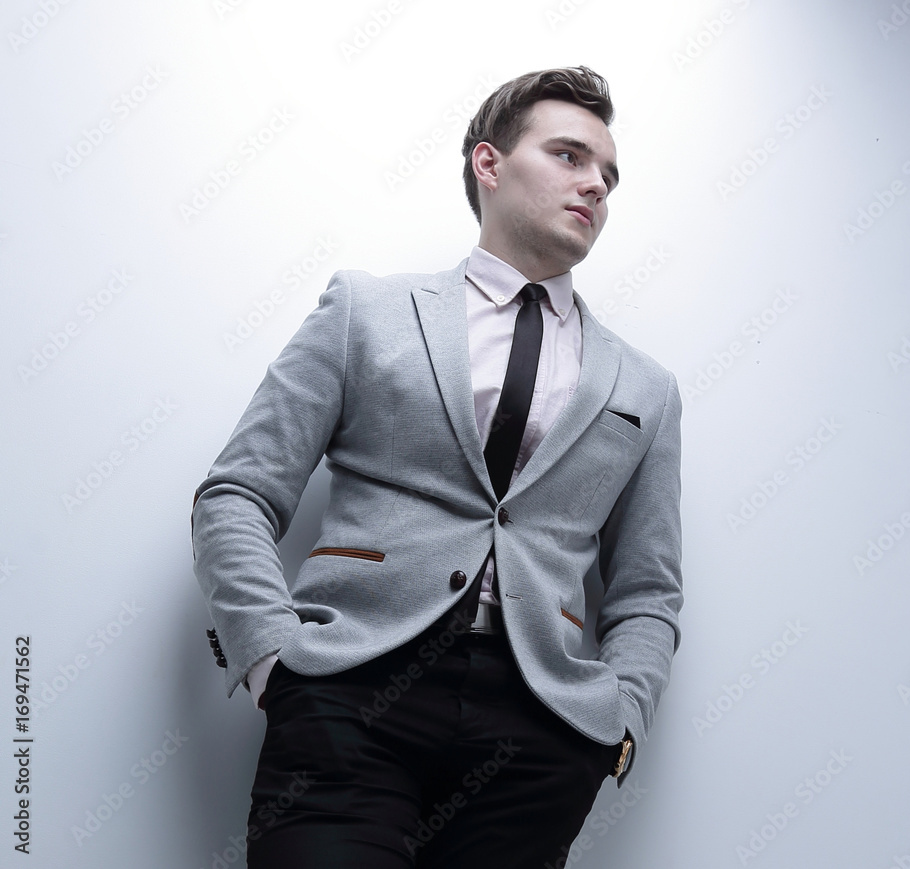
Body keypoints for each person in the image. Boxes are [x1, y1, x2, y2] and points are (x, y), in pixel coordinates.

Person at [192, 65, 683, 868]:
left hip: (541, 732)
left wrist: (619, 720)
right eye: (568, 154)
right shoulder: (365, 311)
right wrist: (271, 662)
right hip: (349, 694)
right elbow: (237, 493)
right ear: (488, 164)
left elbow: (648, 589)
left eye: (609, 174)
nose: (595, 183)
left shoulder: (646, 389)